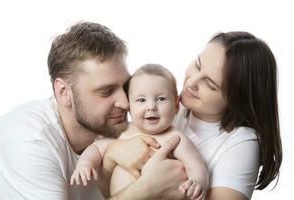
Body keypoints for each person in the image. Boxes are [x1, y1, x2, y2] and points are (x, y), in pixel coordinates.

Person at [0, 22, 187, 200]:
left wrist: (109, 161)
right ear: (63, 92)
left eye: (126, 87)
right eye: (106, 91)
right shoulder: (27, 140)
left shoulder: (114, 134)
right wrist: (145, 190)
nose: (125, 102)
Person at [105, 32, 283, 200]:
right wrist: (112, 152)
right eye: (198, 65)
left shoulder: (242, 142)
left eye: (210, 84)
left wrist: (149, 189)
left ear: (237, 99)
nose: (191, 82)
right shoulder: (165, 106)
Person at [70, 64, 209, 200]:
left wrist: (196, 182)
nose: (151, 107)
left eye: (161, 99)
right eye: (141, 100)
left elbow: (196, 166)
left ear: (176, 104)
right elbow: (97, 148)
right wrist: (85, 163)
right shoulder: (123, 131)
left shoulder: (176, 139)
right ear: (129, 107)